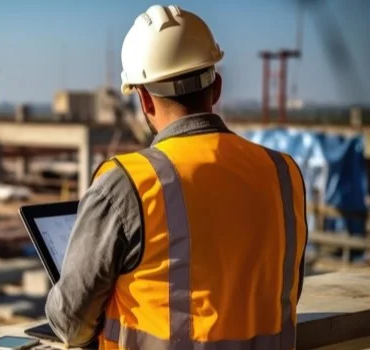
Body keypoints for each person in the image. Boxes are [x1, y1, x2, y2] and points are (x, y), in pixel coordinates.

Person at [44, 4, 308, 350]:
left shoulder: (128, 184)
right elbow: (284, 293)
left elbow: (71, 324)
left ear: (143, 100)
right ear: (216, 88)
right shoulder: (283, 172)